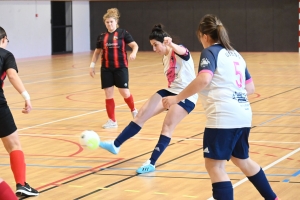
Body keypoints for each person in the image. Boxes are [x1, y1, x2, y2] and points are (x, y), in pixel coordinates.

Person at [162, 14, 278, 200]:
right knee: (242, 160)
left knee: (215, 166)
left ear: (204, 36)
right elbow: (250, 88)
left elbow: (204, 79)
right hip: (244, 114)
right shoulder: (236, 54)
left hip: (223, 117)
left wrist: (177, 98)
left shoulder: (210, 52)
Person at [99, 24, 198, 174]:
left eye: (155, 45)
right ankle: (116, 144)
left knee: (167, 127)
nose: (154, 49)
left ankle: (151, 162)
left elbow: (184, 52)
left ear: (164, 42)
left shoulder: (178, 51)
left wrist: (171, 44)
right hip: (170, 91)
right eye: (152, 46)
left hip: (186, 95)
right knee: (141, 115)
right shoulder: (165, 58)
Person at [0, 27, 39, 197]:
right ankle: (21, 184)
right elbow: (12, 76)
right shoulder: (5, 55)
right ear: (4, 39)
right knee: (14, 145)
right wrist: (26, 96)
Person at [89, 8, 139, 129]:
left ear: (116, 22)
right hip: (106, 69)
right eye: (107, 22)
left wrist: (134, 53)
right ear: (105, 23)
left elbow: (134, 45)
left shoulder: (123, 33)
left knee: (124, 92)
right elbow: (96, 53)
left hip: (120, 68)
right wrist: (92, 65)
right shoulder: (102, 37)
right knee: (108, 94)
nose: (109, 24)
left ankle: (134, 110)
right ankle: (112, 120)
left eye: (111, 21)